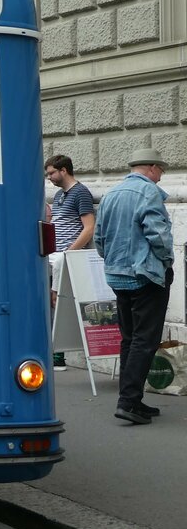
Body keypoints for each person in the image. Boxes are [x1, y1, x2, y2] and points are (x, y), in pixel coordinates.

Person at [93, 148, 174, 425]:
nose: (161, 176)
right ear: (151, 167)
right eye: (160, 170)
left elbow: (99, 238)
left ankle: (133, 399)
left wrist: (113, 261)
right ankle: (128, 401)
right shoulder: (148, 192)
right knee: (145, 340)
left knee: (129, 338)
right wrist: (167, 260)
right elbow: (158, 235)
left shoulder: (111, 194)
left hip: (117, 275)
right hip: (145, 274)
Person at [44, 155, 96, 370]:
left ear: (63, 170)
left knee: (59, 301)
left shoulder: (81, 193)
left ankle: (58, 356)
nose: (49, 178)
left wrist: (68, 252)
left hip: (66, 254)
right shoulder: (58, 195)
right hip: (54, 252)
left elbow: (89, 227)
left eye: (51, 173)